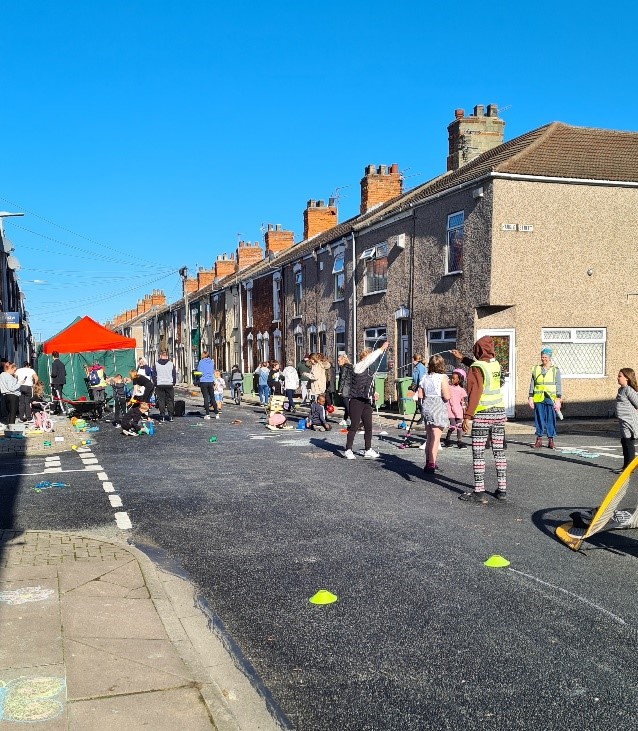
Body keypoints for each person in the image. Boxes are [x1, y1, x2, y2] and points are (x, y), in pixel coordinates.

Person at [460, 336, 507, 504]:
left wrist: (467, 416)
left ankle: (479, 491)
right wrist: (463, 359)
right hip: (499, 413)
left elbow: (475, 391)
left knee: (478, 453)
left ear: (478, 350)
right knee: (499, 451)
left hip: (482, 414)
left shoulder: (475, 368)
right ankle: (502, 489)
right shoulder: (496, 365)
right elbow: (497, 381)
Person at [343, 342, 389, 460]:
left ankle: (368, 449)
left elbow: (368, 386)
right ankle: (348, 450)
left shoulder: (369, 371)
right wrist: (381, 349)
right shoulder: (358, 367)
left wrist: (374, 394)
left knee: (368, 427)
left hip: (366, 402)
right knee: (354, 426)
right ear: (364, 358)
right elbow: (369, 359)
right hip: (356, 400)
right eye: (368, 358)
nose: (371, 361)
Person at [418, 355, 450, 473]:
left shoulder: (424, 377)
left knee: (429, 437)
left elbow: (420, 395)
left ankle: (428, 462)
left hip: (426, 406)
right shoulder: (442, 377)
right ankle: (432, 463)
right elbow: (447, 396)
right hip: (437, 405)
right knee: (436, 438)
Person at [529, 347, 563, 449]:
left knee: (550, 419)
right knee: (539, 418)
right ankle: (538, 439)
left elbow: (558, 385)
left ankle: (550, 440)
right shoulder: (536, 369)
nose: (543, 359)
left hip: (550, 398)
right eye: (542, 357)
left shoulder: (555, 370)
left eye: (545, 357)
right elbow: (532, 383)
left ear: (549, 358)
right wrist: (530, 397)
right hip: (538, 397)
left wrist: (558, 399)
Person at [615, 368, 638, 472]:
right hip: (623, 420)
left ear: (627, 378)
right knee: (624, 442)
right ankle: (626, 467)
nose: (618, 378)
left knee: (628, 442)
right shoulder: (621, 390)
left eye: (620, 376)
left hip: (629, 422)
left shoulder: (629, 390)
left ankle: (629, 468)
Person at [444, 368, 467, 449]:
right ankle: (447, 438)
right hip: (450, 409)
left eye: (454, 378)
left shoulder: (461, 390)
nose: (452, 380)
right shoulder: (449, 388)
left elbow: (463, 402)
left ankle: (459, 441)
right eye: (451, 378)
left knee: (459, 426)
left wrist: (464, 412)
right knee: (453, 426)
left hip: (458, 410)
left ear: (459, 380)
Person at [153, 350, 176, 421]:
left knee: (161, 401)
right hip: (169, 384)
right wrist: (173, 383)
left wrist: (155, 383)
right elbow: (174, 375)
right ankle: (170, 416)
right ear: (167, 356)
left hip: (160, 384)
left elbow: (153, 375)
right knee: (170, 400)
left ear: (160, 356)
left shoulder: (156, 364)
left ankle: (162, 416)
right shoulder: (171, 364)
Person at [197, 351, 219, 419]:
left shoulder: (201, 362)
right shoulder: (211, 362)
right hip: (210, 381)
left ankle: (207, 414)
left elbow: (199, 371)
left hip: (203, 381)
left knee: (206, 398)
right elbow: (212, 371)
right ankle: (216, 413)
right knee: (212, 397)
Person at [337, 352, 354, 427]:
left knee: (347, 406)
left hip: (345, 389)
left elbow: (342, 379)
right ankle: (345, 419)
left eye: (339, 360)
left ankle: (353, 420)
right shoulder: (350, 367)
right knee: (347, 405)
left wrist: (340, 390)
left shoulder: (343, 368)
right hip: (351, 388)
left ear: (343, 360)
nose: (338, 362)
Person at [410, 354, 427, 424]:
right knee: (418, 402)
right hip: (417, 386)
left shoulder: (420, 367)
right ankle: (422, 416)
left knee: (421, 402)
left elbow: (421, 378)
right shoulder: (416, 367)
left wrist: (419, 387)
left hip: (420, 387)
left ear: (415, 359)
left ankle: (423, 417)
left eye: (412, 359)